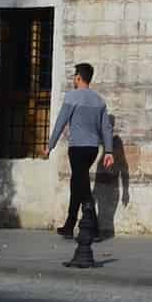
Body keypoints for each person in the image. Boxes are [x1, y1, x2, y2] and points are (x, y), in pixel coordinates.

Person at [45, 62, 116, 238]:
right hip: (92, 149)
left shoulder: (72, 97)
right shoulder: (99, 100)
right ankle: (70, 225)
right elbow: (106, 127)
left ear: (78, 77)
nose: (73, 79)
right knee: (77, 182)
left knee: (81, 184)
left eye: (74, 76)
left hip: (77, 148)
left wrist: (50, 145)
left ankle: (92, 226)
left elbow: (61, 122)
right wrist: (108, 151)